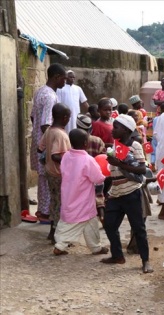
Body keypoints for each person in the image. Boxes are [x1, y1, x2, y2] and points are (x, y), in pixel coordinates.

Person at [101, 114, 152, 273]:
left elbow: (142, 169)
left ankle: (145, 261)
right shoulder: (114, 145)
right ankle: (117, 255)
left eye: (115, 127)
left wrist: (119, 164)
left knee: (139, 228)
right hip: (116, 192)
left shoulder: (135, 145)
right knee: (109, 225)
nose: (112, 130)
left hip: (131, 192)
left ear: (125, 130)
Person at [53, 129, 107, 256]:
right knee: (88, 223)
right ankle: (61, 246)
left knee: (67, 223)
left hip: (68, 196)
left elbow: (63, 170)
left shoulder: (65, 156)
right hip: (84, 201)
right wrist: (105, 172)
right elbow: (98, 178)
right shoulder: (87, 160)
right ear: (85, 143)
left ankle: (93, 247)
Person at [31, 63, 66, 221]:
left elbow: (33, 117)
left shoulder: (40, 91)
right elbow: (46, 123)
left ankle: (42, 210)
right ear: (57, 77)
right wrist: (54, 142)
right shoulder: (51, 96)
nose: (64, 83)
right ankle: (46, 213)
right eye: (63, 79)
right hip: (47, 145)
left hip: (38, 141)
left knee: (42, 179)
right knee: (48, 179)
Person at [39, 103, 71, 242]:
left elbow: (41, 148)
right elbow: (55, 155)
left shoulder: (49, 130)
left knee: (54, 201)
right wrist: (70, 159)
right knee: (60, 204)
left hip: (50, 171)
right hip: (58, 174)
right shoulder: (60, 135)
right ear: (65, 118)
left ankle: (52, 232)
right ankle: (57, 235)